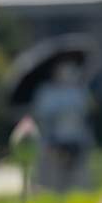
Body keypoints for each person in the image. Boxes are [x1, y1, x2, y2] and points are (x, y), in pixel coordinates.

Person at [31, 59, 94, 191]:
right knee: (54, 184)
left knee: (78, 182)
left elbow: (84, 116)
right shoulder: (47, 92)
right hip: (54, 142)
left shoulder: (80, 91)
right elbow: (43, 119)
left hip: (76, 140)